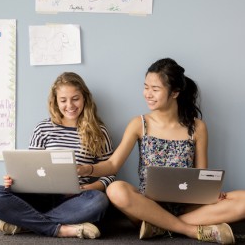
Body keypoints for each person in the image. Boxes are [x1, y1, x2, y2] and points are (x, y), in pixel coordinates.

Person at [77, 58, 245, 244]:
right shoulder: (139, 124)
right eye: (146, 87)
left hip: (186, 206)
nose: (147, 94)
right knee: (116, 189)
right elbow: (112, 165)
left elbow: (201, 176)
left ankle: (159, 227)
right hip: (147, 206)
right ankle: (189, 230)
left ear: (174, 92)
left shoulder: (197, 127)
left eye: (155, 89)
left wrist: (209, 192)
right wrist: (88, 169)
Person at [0, 72, 115, 239]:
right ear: (56, 101)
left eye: (75, 98)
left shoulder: (99, 132)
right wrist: (14, 181)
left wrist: (90, 187)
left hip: (75, 199)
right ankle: (62, 229)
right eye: (63, 100)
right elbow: (31, 168)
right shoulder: (43, 129)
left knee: (99, 201)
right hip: (38, 197)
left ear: (85, 98)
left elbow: (109, 173)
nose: (70, 105)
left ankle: (24, 223)